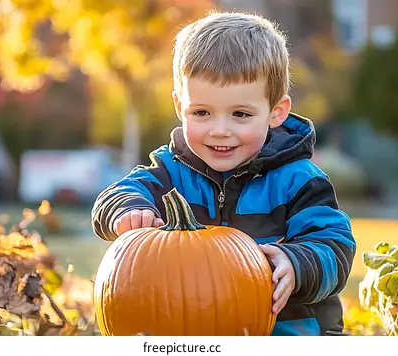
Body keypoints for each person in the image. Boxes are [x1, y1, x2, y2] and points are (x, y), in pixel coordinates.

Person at [91, 11, 355, 336]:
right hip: (192, 332)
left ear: (276, 112)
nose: (219, 130)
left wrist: (297, 265)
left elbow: (334, 245)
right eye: (201, 112)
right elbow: (116, 195)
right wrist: (129, 210)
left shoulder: (298, 180)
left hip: (289, 334)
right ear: (179, 106)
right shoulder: (171, 170)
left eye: (240, 114)